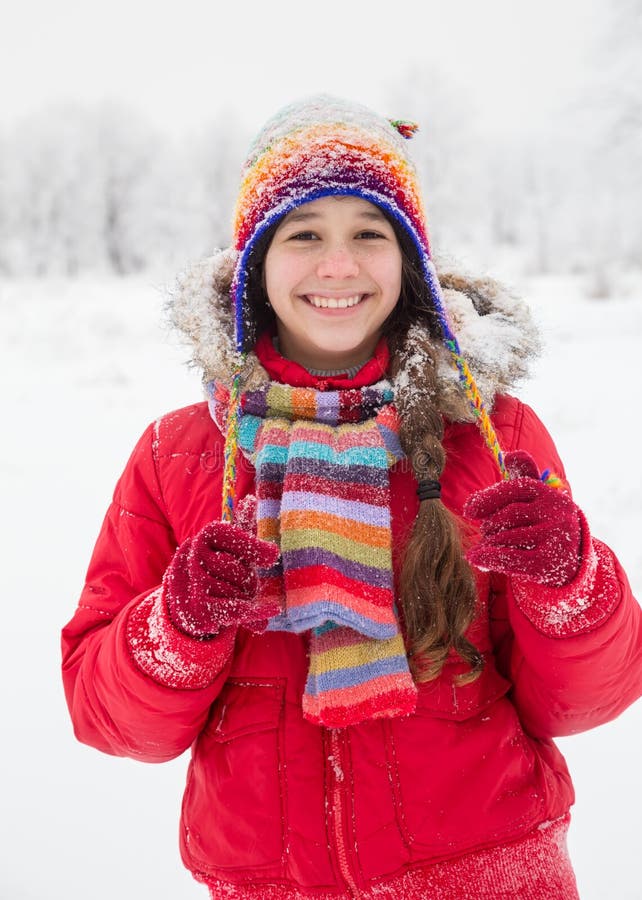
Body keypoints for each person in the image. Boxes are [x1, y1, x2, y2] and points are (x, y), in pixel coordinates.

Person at [61, 95, 642, 899]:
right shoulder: (179, 455)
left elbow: (582, 703)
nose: (338, 265)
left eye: (370, 233)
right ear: (256, 265)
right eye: (304, 235)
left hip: (494, 875)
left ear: (408, 260)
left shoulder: (492, 431)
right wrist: (177, 626)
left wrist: (572, 582)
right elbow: (109, 719)